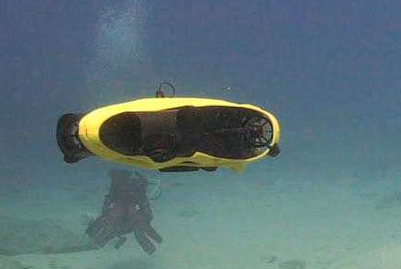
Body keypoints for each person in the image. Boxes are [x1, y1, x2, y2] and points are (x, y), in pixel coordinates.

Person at [57, 84, 281, 173]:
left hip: (195, 142)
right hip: (196, 139)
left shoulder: (112, 140)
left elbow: (153, 163)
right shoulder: (108, 126)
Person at [86, 170, 164, 254]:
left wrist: (106, 210)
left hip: (126, 218)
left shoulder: (121, 190)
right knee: (115, 225)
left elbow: (111, 201)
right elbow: (143, 205)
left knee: (111, 225)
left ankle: (95, 241)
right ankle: (96, 242)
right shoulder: (131, 190)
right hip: (128, 217)